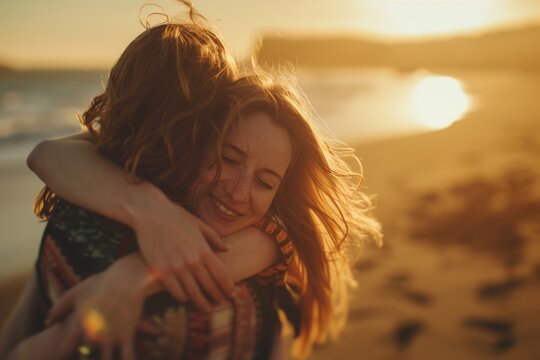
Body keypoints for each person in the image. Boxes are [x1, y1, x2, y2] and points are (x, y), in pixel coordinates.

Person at [2, 7, 382, 360]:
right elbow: (48, 153)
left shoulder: (265, 241)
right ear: (199, 142)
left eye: (265, 182)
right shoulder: (94, 212)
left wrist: (130, 276)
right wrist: (151, 208)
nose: (236, 192)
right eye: (228, 158)